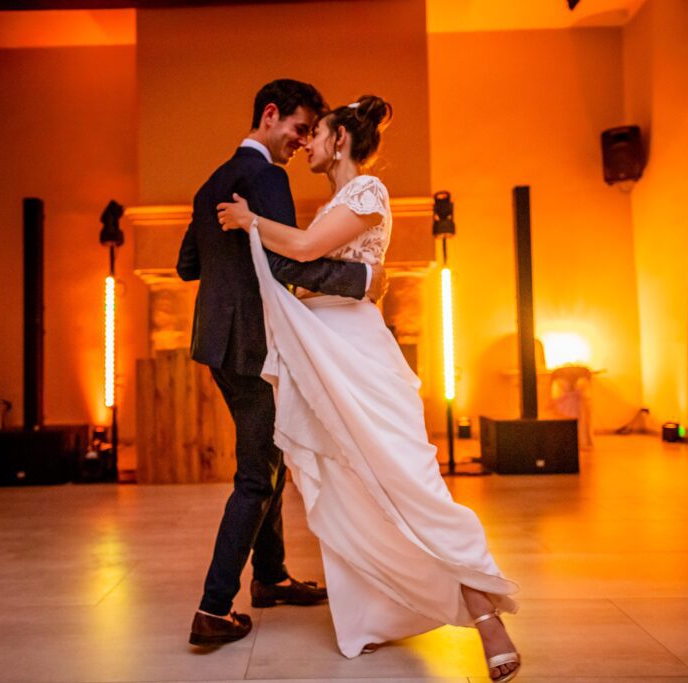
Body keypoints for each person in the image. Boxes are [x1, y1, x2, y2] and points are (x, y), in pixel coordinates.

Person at [216, 95, 522, 682]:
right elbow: (303, 269)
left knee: (409, 480)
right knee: (348, 484)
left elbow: (302, 250)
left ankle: (486, 615)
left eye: (317, 133)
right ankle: (376, 614)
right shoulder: (334, 200)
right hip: (324, 348)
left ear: (341, 140)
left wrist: (253, 222)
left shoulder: (368, 191)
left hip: (357, 351)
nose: (306, 143)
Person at [177, 79, 389, 648]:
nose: (301, 142)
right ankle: (213, 608)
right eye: (298, 128)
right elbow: (288, 262)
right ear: (270, 115)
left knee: (271, 455)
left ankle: (269, 577)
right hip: (255, 344)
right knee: (257, 473)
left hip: (216, 343)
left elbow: (186, 265)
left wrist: (232, 270)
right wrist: (361, 279)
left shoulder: (211, 182)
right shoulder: (267, 178)